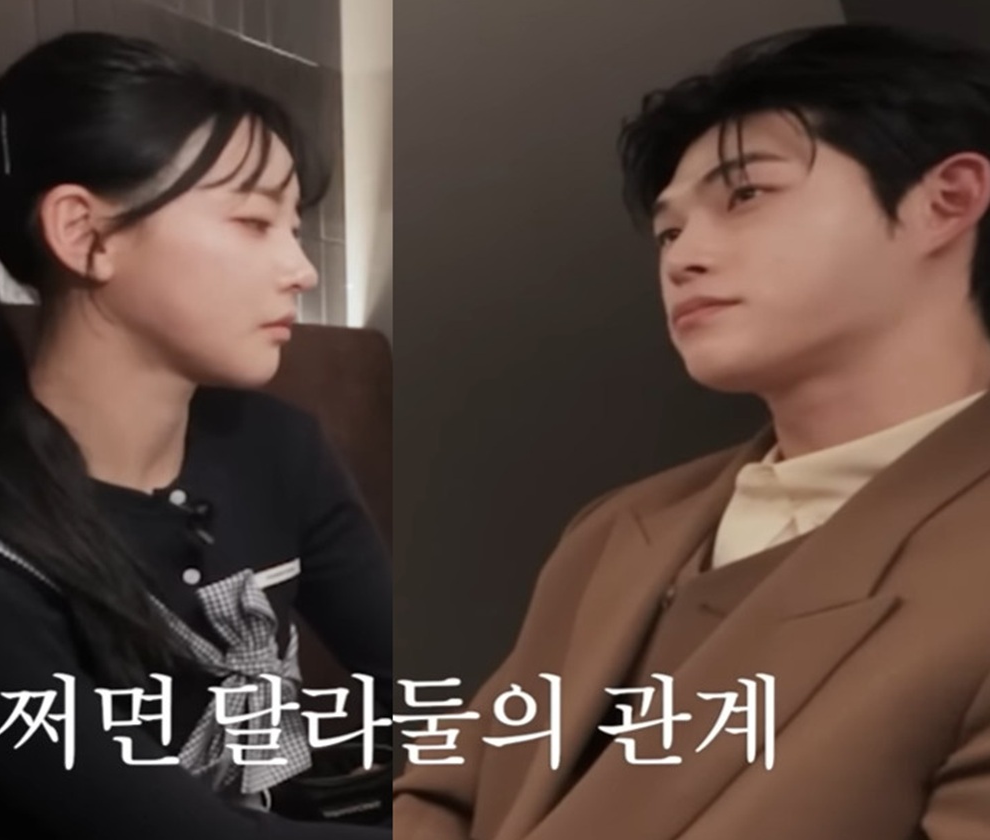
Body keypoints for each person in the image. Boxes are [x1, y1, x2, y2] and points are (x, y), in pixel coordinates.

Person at [394, 23, 990, 840]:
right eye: (669, 231)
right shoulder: (620, 528)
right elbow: (445, 790)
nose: (683, 258)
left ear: (946, 200)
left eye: (745, 195)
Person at [0, 32, 391, 840]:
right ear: (85, 234)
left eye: (294, 228)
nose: (302, 269)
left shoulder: (276, 448)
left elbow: (440, 686)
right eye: (255, 222)